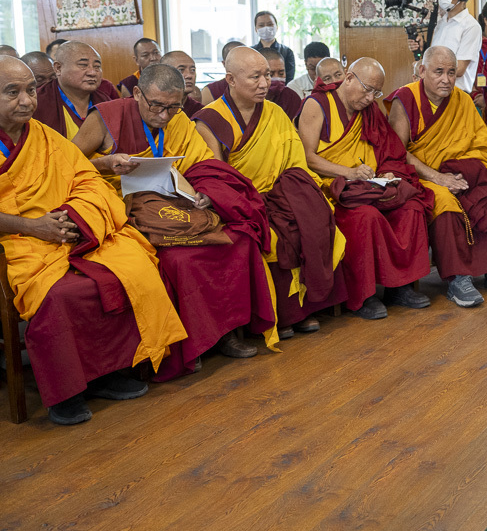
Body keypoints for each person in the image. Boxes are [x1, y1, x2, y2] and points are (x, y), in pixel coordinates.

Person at [0, 56, 187, 425]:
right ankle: (65, 389)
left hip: (71, 231)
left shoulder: (44, 136)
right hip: (19, 240)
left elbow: (86, 179)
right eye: (12, 92)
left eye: (30, 91)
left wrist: (77, 216)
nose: (26, 101)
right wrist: (33, 226)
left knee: (132, 267)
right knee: (62, 294)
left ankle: (106, 371)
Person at [73, 63, 279, 377]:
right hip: (122, 210)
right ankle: (190, 343)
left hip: (175, 203)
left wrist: (206, 193)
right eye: (156, 106)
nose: (165, 116)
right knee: (178, 260)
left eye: (173, 106)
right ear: (138, 94)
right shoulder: (105, 117)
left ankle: (225, 333)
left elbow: (203, 164)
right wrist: (105, 162)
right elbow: (68, 166)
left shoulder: (178, 119)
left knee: (234, 240)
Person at [194, 47, 347, 338]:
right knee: (273, 235)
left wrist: (291, 192)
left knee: (313, 215)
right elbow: (215, 177)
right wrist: (251, 199)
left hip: (278, 192)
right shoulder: (209, 121)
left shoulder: (275, 112)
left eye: (267, 75)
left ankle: (308, 306)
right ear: (231, 79)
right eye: (255, 77)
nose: (265, 83)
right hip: (241, 200)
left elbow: (295, 163)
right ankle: (282, 314)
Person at [298, 57, 434, 320]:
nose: (371, 98)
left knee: (411, 207)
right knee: (366, 217)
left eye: (376, 92)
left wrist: (387, 171)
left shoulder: (369, 110)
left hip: (370, 183)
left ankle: (400, 287)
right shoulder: (317, 105)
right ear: (348, 78)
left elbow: (388, 148)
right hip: (333, 187)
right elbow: (308, 157)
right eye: (367, 89)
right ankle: (364, 295)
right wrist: (348, 173)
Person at [388, 46, 487, 307]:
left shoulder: (462, 100)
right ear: (422, 70)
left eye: (451, 72)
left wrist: (463, 172)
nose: (446, 79)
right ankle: (457, 278)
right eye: (438, 72)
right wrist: (438, 177)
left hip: (460, 172)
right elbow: (398, 152)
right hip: (422, 175)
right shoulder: (404, 99)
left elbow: (482, 144)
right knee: (445, 204)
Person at [407, 0, 481, 93]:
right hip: (433, 92)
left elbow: (460, 69)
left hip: (455, 93)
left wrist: (426, 67)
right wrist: (422, 52)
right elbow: (434, 57)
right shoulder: (441, 23)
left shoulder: (471, 26)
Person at [32, 41, 117, 138]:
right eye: (83, 65)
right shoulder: (37, 103)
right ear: (58, 68)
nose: (92, 72)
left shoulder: (105, 101)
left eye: (97, 66)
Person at [259, 48, 304, 119]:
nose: (277, 78)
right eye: (270, 74)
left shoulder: (291, 97)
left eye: (281, 73)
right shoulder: (250, 98)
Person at [253, 10, 296, 82]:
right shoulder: (251, 52)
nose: (266, 28)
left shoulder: (287, 52)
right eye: (261, 25)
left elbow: (289, 79)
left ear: (276, 27)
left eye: (270, 24)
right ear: (256, 29)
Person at [199, 40, 245, 106]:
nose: (242, 64)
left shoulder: (256, 86)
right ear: (224, 64)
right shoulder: (211, 91)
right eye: (237, 60)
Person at [161, 50, 203, 116]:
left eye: (192, 70)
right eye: (181, 70)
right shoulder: (153, 107)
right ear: (164, 74)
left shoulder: (199, 111)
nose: (189, 76)